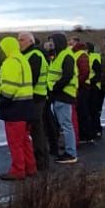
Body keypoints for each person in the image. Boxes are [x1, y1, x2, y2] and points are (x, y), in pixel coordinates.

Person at [0, 36, 37, 180]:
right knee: (24, 140)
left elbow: (9, 86)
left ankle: (18, 170)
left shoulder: (11, 62)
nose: (2, 51)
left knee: (15, 142)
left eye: (2, 48)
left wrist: (2, 101)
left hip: (14, 106)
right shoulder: (22, 59)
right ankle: (30, 167)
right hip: (26, 105)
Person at [18, 32, 52, 171]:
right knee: (34, 130)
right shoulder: (26, 55)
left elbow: (32, 79)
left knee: (37, 131)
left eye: (22, 40)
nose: (19, 42)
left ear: (30, 41)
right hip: (32, 97)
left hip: (36, 98)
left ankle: (41, 162)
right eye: (18, 40)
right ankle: (36, 160)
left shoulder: (35, 55)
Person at [44, 32, 79, 163]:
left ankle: (71, 153)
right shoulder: (58, 55)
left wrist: (55, 88)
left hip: (64, 94)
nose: (50, 44)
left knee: (66, 125)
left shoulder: (66, 56)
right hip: (59, 94)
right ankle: (69, 152)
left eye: (52, 42)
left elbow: (67, 75)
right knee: (65, 124)